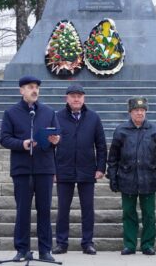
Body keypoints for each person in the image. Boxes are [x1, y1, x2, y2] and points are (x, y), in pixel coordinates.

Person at [0, 75, 60, 262]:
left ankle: (45, 250)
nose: (35, 90)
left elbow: (57, 134)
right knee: (23, 211)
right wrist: (22, 143)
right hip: (22, 169)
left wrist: (55, 140)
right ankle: (22, 249)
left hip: (44, 168)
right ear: (21, 90)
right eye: (30, 87)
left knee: (44, 210)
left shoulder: (49, 112)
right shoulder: (11, 113)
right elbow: (4, 138)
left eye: (37, 87)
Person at [107, 96, 156, 256]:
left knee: (149, 214)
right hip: (127, 179)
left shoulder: (155, 130)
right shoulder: (121, 130)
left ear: (146, 111)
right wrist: (113, 178)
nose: (139, 113)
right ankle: (130, 244)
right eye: (136, 110)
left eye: (142, 110)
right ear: (130, 112)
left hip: (149, 179)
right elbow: (113, 157)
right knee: (128, 213)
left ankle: (148, 245)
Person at [52, 85, 107, 255]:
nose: (76, 99)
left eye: (79, 96)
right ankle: (61, 243)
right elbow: (49, 146)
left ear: (84, 98)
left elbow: (101, 145)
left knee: (88, 209)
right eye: (73, 96)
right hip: (63, 169)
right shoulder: (56, 117)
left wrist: (100, 167)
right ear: (66, 98)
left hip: (87, 170)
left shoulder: (93, 118)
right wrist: (52, 169)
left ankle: (87, 243)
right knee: (63, 209)